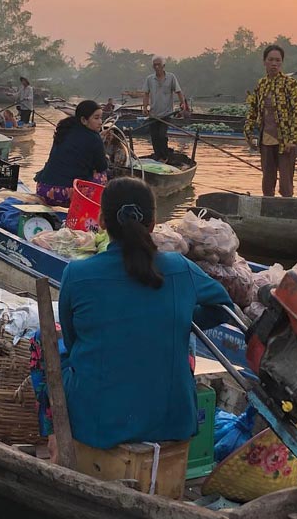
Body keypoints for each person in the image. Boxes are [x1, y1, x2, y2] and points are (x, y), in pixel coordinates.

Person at [57, 177, 234, 450]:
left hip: (98, 423)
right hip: (172, 421)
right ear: (152, 224)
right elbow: (225, 308)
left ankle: (56, 447)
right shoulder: (179, 267)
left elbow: (71, 340)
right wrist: (180, 316)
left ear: (102, 221)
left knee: (43, 345)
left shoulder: (77, 273)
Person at [244, 44, 297, 197]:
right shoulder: (261, 84)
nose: (274, 64)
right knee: (267, 183)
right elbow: (253, 110)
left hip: (285, 141)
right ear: (264, 62)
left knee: (285, 185)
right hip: (266, 140)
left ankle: (287, 212)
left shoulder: (290, 84)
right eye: (271, 60)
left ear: (281, 63)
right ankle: (267, 209)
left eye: (278, 60)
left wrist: (293, 139)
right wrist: (249, 134)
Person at [34, 100, 109, 207]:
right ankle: (89, 206)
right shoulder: (94, 138)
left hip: (43, 189)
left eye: (101, 118)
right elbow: (102, 166)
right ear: (83, 120)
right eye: (96, 118)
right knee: (101, 175)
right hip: (65, 194)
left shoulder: (64, 129)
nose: (100, 122)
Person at [142, 55, 188, 162]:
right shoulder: (149, 79)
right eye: (155, 65)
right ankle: (158, 156)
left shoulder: (171, 77)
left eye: (159, 65)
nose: (157, 67)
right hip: (153, 114)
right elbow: (146, 94)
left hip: (166, 114)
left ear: (163, 66)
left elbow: (179, 92)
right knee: (154, 136)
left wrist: (182, 104)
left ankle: (164, 156)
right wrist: (144, 107)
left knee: (162, 135)